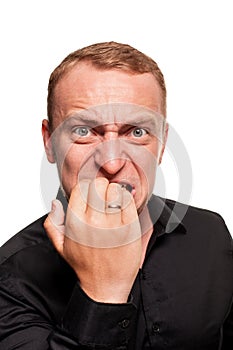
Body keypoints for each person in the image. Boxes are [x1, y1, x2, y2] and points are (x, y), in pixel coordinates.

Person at [0, 41, 232, 350]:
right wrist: (103, 295)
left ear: (161, 143)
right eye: (84, 131)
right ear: (49, 142)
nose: (111, 163)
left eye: (136, 132)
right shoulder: (11, 278)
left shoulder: (211, 234)